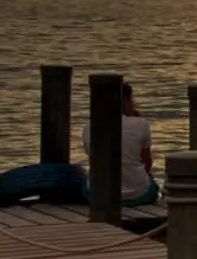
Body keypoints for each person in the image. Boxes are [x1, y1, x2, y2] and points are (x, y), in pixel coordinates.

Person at [1, 82, 158, 208]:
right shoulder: (141, 123)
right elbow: (147, 164)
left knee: (85, 178)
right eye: (132, 100)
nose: (134, 103)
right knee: (152, 185)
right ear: (125, 100)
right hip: (137, 195)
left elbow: (95, 160)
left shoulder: (89, 125)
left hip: (96, 196)